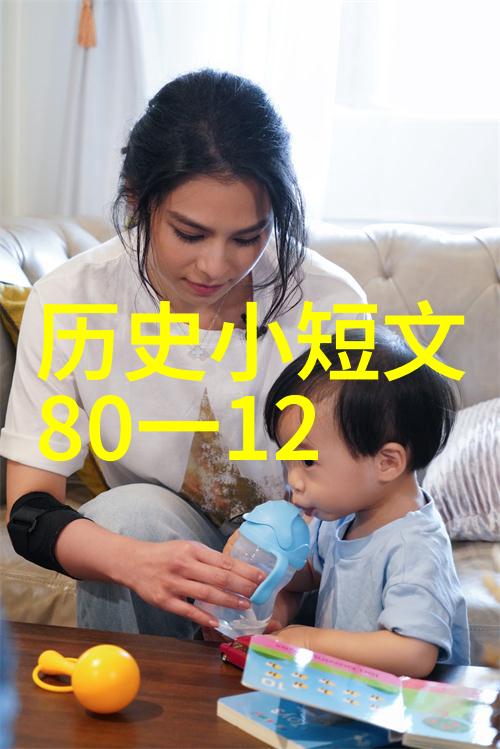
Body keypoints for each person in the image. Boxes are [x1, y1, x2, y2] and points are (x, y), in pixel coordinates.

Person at [1, 69, 366, 637]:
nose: (217, 267)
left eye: (248, 237)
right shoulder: (72, 299)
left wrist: (286, 590)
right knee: (129, 517)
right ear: (136, 199)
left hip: (307, 566)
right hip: (161, 554)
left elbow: (373, 498)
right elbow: (30, 511)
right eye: (189, 234)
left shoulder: (331, 302)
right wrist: (134, 561)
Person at [260, 326, 470, 677]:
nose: (292, 480)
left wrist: (308, 640)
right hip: (354, 692)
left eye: (307, 461)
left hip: (411, 705)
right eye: (287, 460)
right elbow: (310, 572)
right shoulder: (342, 517)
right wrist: (268, 566)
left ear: (387, 462)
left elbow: (414, 653)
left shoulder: (413, 546)